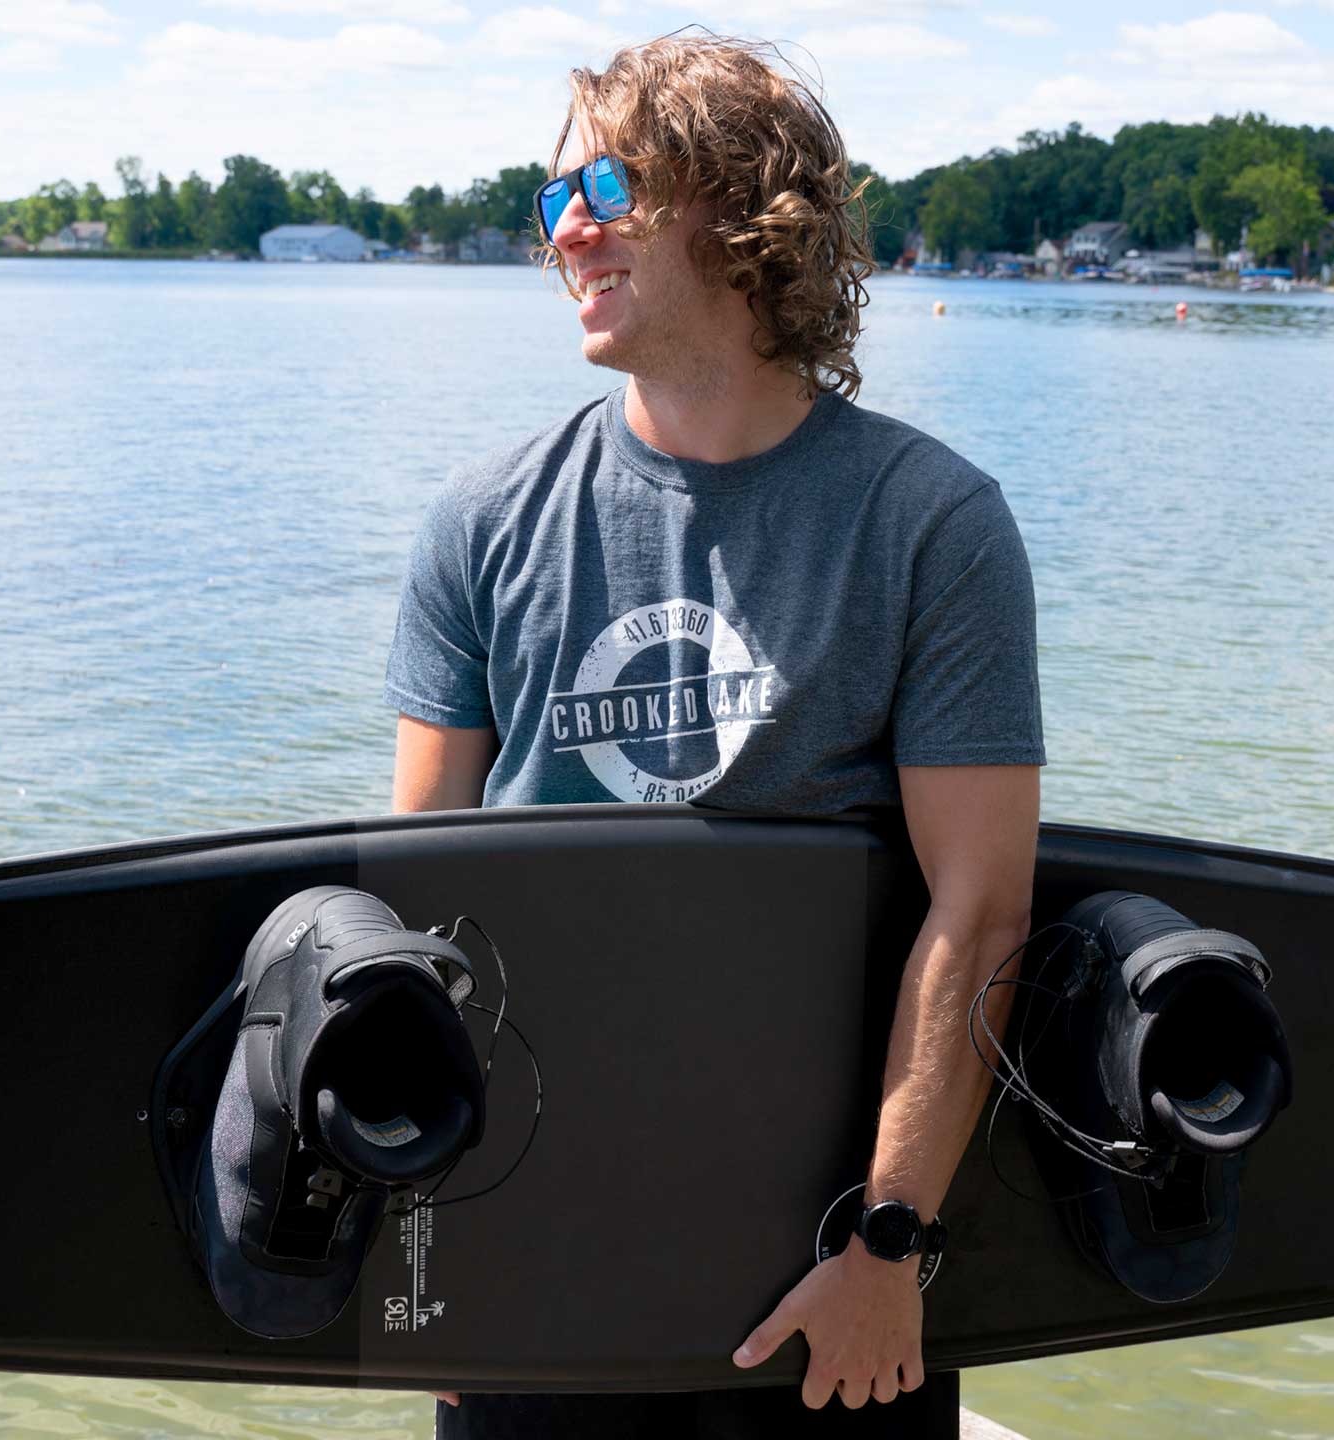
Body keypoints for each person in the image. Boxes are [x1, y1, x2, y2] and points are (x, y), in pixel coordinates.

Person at [383, 31, 1044, 1440]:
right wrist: (419, 1256)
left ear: (742, 206)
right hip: (534, 1266)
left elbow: (980, 918)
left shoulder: (931, 524)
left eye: (601, 187)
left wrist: (888, 1246)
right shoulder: (484, 523)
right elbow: (418, 916)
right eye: (548, 201)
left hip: (830, 1294)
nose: (564, 234)